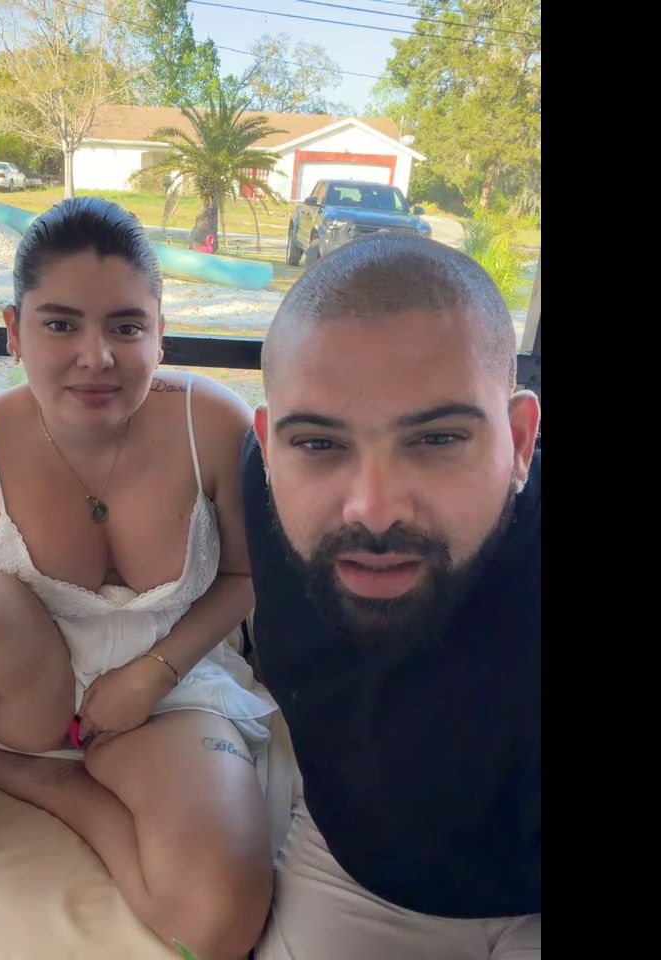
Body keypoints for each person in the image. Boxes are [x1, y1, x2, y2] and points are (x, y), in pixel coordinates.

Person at [0, 197, 276, 959]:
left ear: (161, 332)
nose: (96, 356)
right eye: (60, 324)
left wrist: (152, 672)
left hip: (172, 687)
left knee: (216, 925)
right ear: (13, 331)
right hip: (29, 692)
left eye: (126, 327)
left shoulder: (213, 425)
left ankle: (56, 786)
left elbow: (246, 574)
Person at [242, 234, 541, 958]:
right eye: (319, 444)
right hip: (357, 870)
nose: (373, 511)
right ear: (270, 445)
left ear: (520, 441)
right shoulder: (259, 487)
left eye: (436, 440)